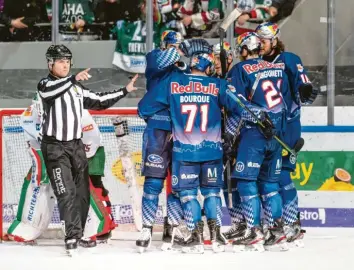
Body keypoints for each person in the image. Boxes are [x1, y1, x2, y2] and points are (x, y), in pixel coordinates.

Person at [138, 51, 270, 253]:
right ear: (208, 68)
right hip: (212, 151)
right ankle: (216, 237)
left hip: (184, 151)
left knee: (188, 195)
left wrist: (168, 117)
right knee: (212, 193)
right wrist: (261, 117)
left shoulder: (173, 83)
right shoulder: (218, 85)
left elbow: (144, 108)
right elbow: (242, 107)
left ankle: (195, 237)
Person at [37, 44, 138, 255]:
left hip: (76, 145)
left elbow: (99, 101)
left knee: (82, 193)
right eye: (61, 61)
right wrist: (73, 79)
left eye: (67, 61)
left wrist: (124, 91)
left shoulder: (75, 88)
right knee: (66, 192)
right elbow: (51, 93)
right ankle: (71, 236)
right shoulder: (45, 84)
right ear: (50, 64)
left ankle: (80, 232)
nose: (65, 65)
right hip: (55, 147)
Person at [136, 30, 213, 252]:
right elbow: (166, 59)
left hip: (181, 132)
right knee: (153, 182)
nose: (177, 52)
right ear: (165, 45)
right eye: (173, 46)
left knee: (178, 185)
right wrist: (181, 48)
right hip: (158, 130)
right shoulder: (154, 58)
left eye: (179, 47)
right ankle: (147, 228)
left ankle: (173, 226)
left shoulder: (184, 72)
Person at [6, 98, 117, 245]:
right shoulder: (29, 116)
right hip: (56, 151)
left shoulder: (80, 113)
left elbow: (92, 139)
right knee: (43, 180)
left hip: (88, 150)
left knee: (92, 185)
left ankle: (102, 229)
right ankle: (30, 226)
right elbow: (36, 148)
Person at [226, 32, 291, 251]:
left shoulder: (240, 70)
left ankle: (254, 231)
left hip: (255, 133)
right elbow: (286, 103)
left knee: (245, 181)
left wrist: (229, 136)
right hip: (276, 134)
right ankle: (277, 230)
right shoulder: (277, 68)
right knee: (270, 184)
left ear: (245, 49)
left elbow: (237, 104)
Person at [256, 22, 317, 245]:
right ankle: (273, 222)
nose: (259, 45)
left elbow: (304, 86)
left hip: (286, 127)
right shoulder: (255, 64)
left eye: (263, 41)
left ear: (274, 40)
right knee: (264, 177)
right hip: (263, 130)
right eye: (258, 41)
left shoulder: (288, 59)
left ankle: (292, 223)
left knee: (281, 176)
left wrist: (305, 90)